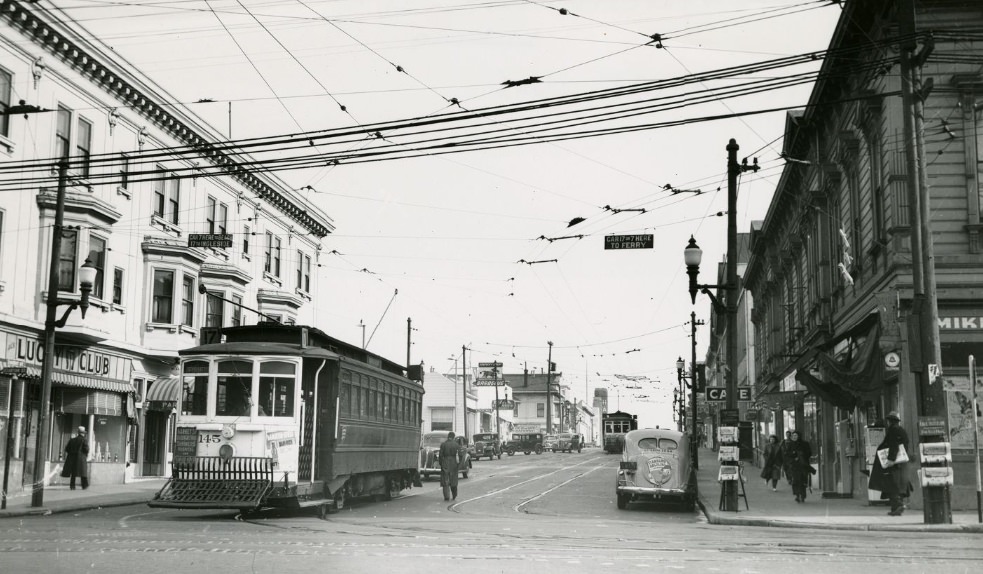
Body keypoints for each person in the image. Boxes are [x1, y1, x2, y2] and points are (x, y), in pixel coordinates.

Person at [869, 411, 912, 516]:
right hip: (901, 462)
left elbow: (894, 445)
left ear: (889, 421)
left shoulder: (893, 430)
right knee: (896, 485)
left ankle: (897, 505)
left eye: (887, 421)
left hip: (895, 463)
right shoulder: (900, 430)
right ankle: (896, 507)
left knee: (892, 484)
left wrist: (891, 459)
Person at [60, 426, 90, 490]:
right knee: (83, 472)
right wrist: (85, 454)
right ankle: (84, 485)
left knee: (73, 472)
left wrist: (72, 453)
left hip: (72, 458)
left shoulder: (72, 440)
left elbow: (67, 449)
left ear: (78, 433)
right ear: (83, 433)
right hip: (81, 458)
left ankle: (72, 485)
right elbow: (86, 449)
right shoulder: (84, 440)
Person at [787, 431, 813, 503]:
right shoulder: (790, 444)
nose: (794, 437)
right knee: (795, 481)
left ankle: (803, 496)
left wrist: (801, 456)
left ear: (799, 436)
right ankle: (797, 495)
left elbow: (809, 453)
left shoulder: (805, 444)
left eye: (796, 435)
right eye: (793, 435)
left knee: (803, 481)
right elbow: (787, 454)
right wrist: (793, 456)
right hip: (794, 466)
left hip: (803, 465)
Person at [439, 431, 464, 501]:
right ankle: (454, 495)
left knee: (445, 480)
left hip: (445, 462)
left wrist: (441, 463)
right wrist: (459, 464)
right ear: (453, 437)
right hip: (454, 463)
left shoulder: (443, 444)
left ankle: (446, 496)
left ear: (448, 436)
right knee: (454, 479)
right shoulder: (456, 445)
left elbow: (440, 456)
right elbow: (461, 455)